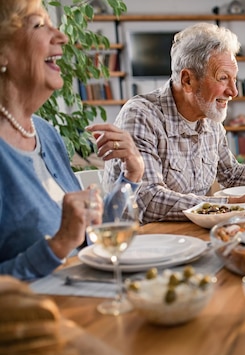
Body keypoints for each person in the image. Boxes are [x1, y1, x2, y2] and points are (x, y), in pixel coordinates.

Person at [0, 0, 144, 280]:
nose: (62, 37)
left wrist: (132, 174)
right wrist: (57, 246)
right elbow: (67, 241)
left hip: (82, 295)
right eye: (39, 25)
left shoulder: (44, 132)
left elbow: (91, 236)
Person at [105, 23, 245, 223]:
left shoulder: (210, 118)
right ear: (188, 80)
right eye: (223, 78)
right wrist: (234, 206)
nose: (233, 91)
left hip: (188, 236)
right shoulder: (141, 115)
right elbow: (148, 200)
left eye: (234, 79)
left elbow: (231, 173)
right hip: (139, 241)